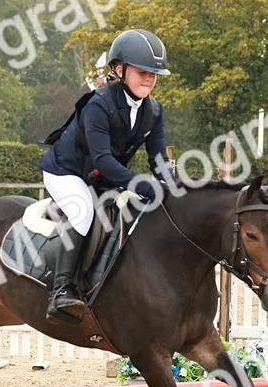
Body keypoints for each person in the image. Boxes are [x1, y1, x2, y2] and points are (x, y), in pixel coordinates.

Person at [38, 28, 172, 324]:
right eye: (143, 72)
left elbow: (159, 159)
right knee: (84, 212)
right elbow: (103, 160)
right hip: (67, 172)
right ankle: (61, 291)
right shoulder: (99, 104)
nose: (150, 79)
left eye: (154, 74)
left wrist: (171, 188)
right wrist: (141, 183)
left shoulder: (154, 111)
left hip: (103, 178)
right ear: (120, 69)